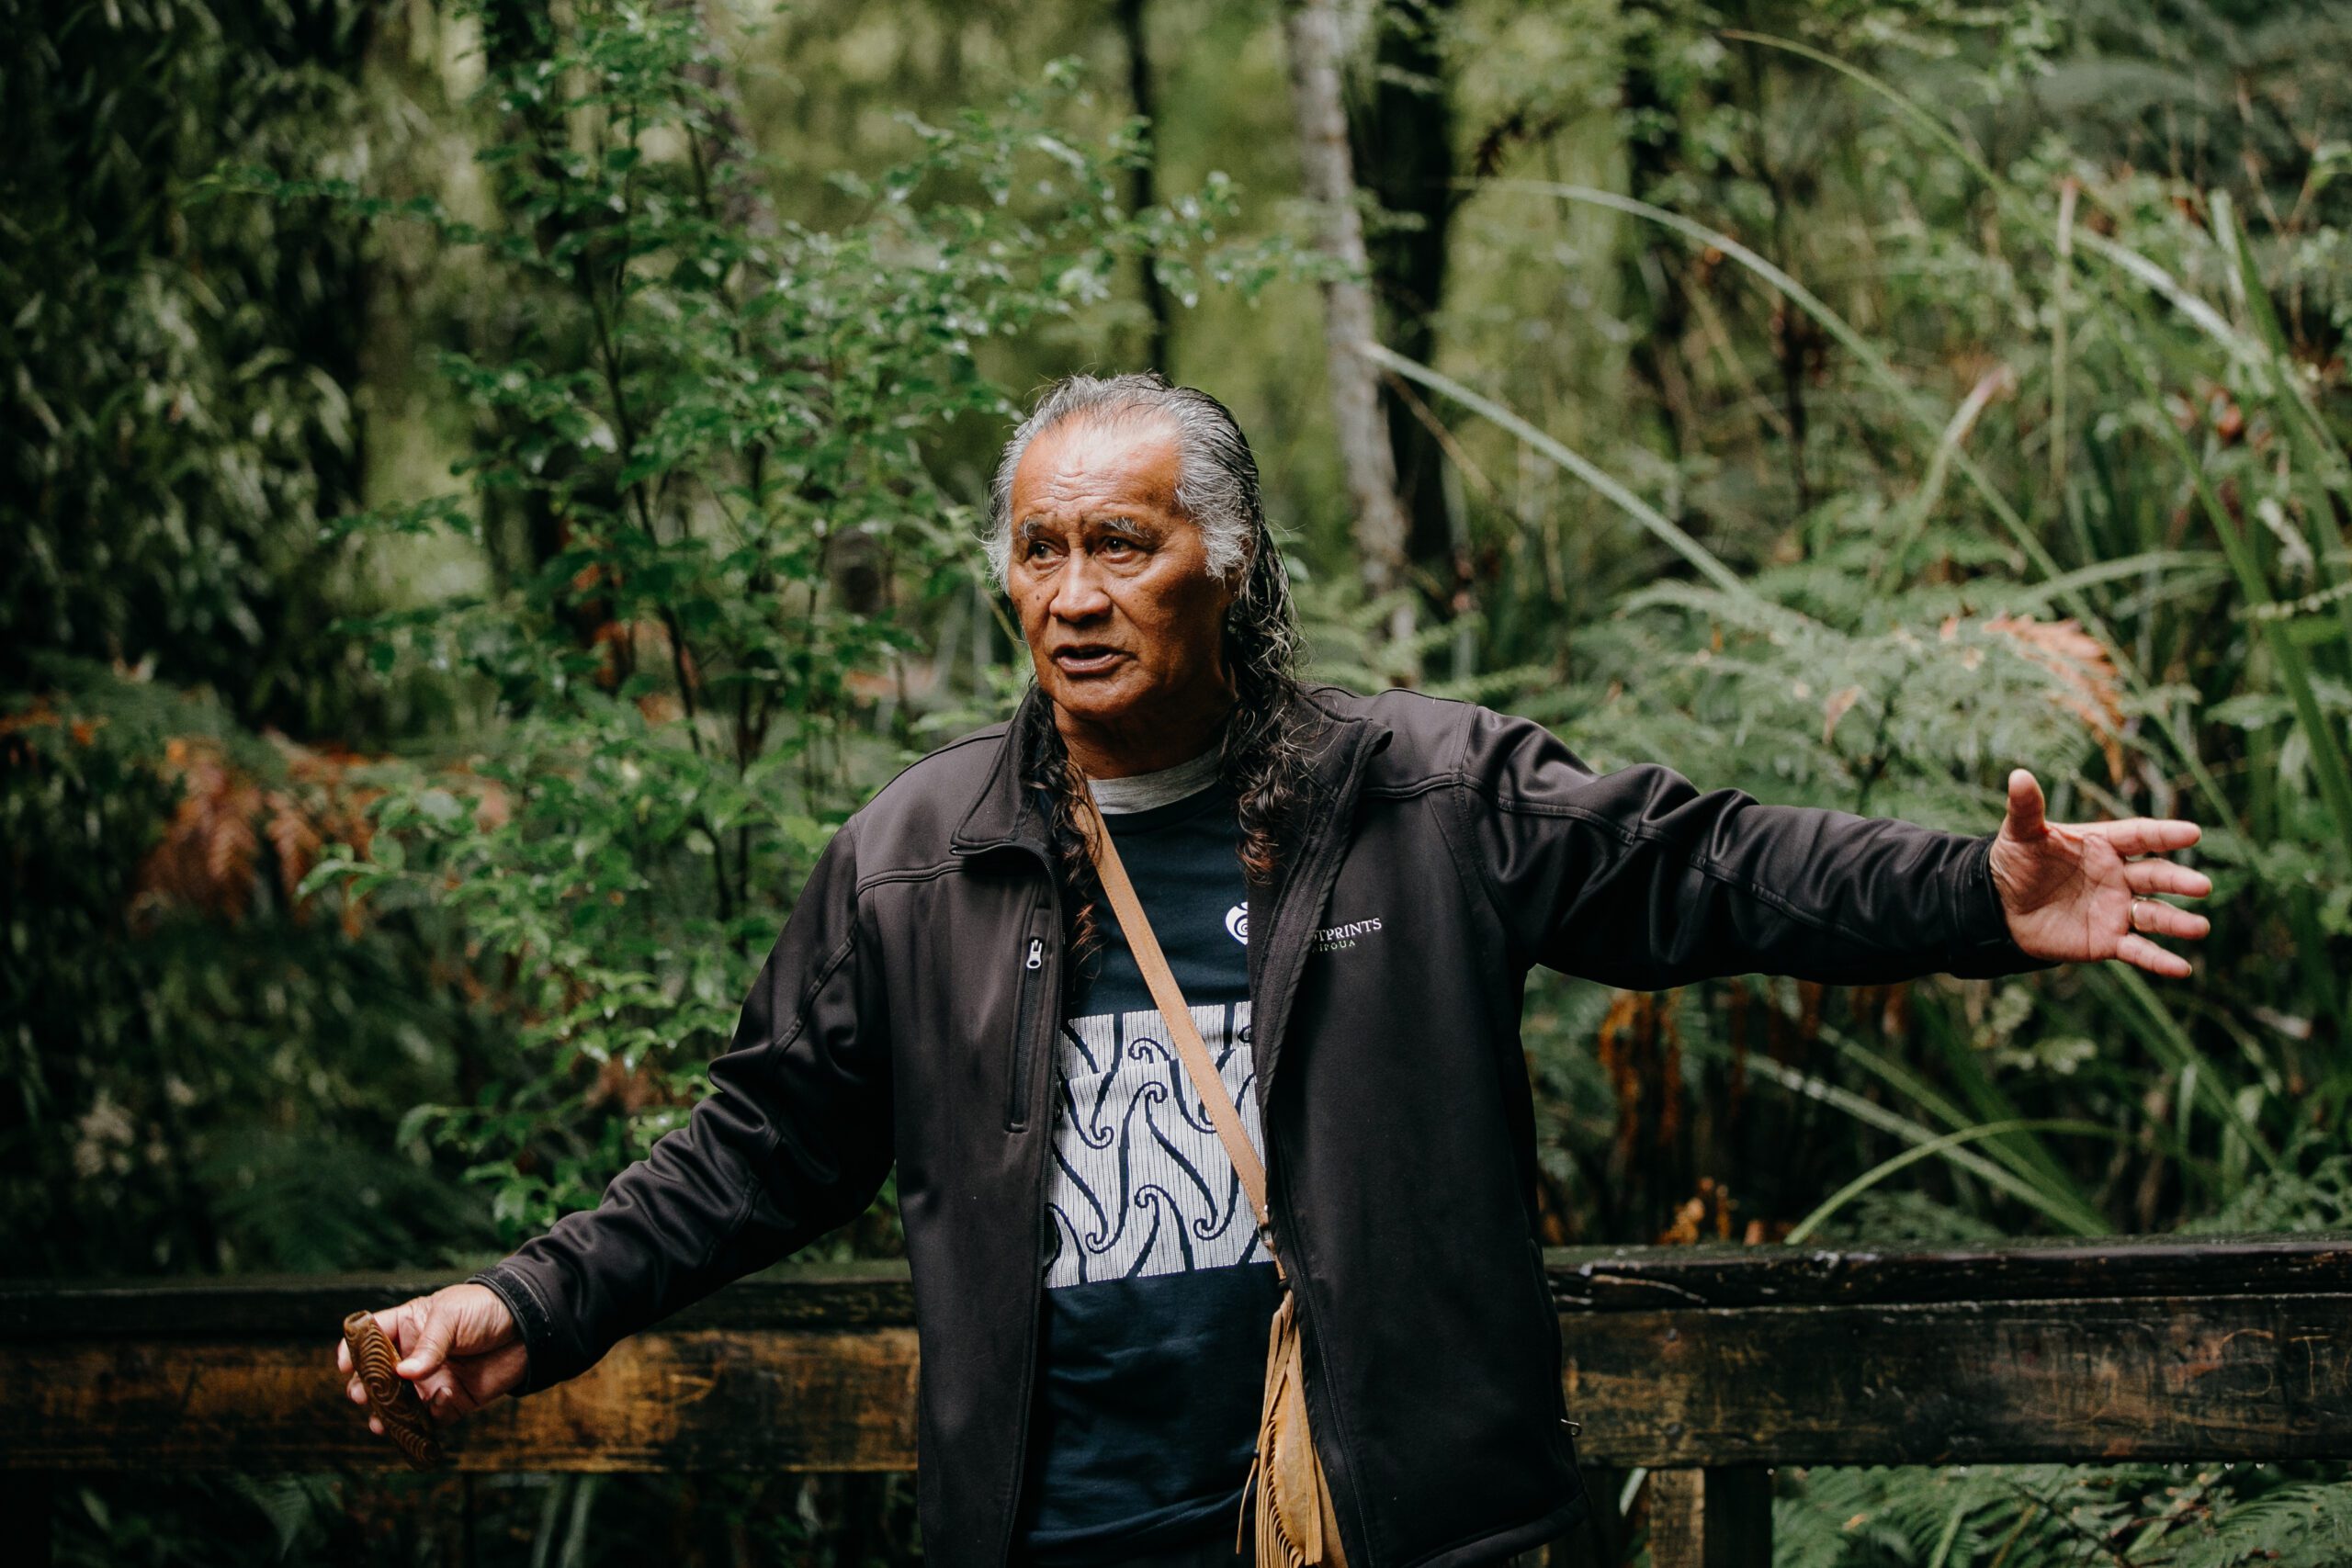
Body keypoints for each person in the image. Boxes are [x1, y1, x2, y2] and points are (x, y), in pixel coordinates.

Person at [338, 373, 2211, 1568]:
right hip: (1053, 1530)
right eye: (1039, 547)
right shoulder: (916, 859)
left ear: (1221, 568)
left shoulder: (1416, 792)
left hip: (1379, 1528)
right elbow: (751, 1149)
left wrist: (1977, 891)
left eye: (1121, 547)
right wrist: (522, 1302)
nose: (1071, 592)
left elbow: (1701, 864)